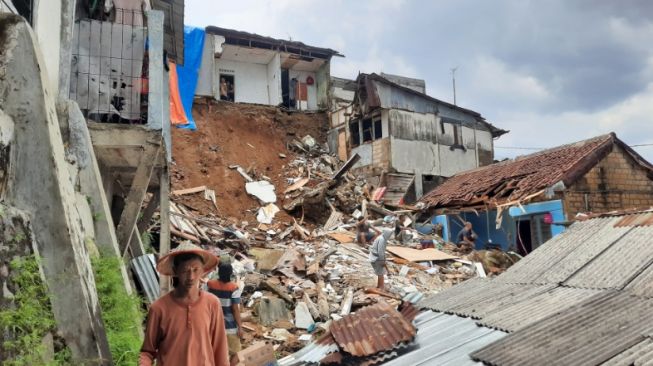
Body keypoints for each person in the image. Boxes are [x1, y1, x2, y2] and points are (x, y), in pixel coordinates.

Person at [140, 242, 229, 366]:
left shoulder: (212, 303)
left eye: (195, 270)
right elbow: (147, 352)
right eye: (185, 271)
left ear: (203, 270)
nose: (191, 277)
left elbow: (220, 349)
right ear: (175, 271)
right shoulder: (159, 308)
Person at [207, 263, 243, 365]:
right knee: (236, 352)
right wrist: (240, 327)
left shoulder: (209, 285)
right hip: (229, 327)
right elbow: (235, 309)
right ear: (231, 273)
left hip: (212, 326)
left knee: (215, 352)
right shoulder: (234, 287)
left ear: (218, 272)